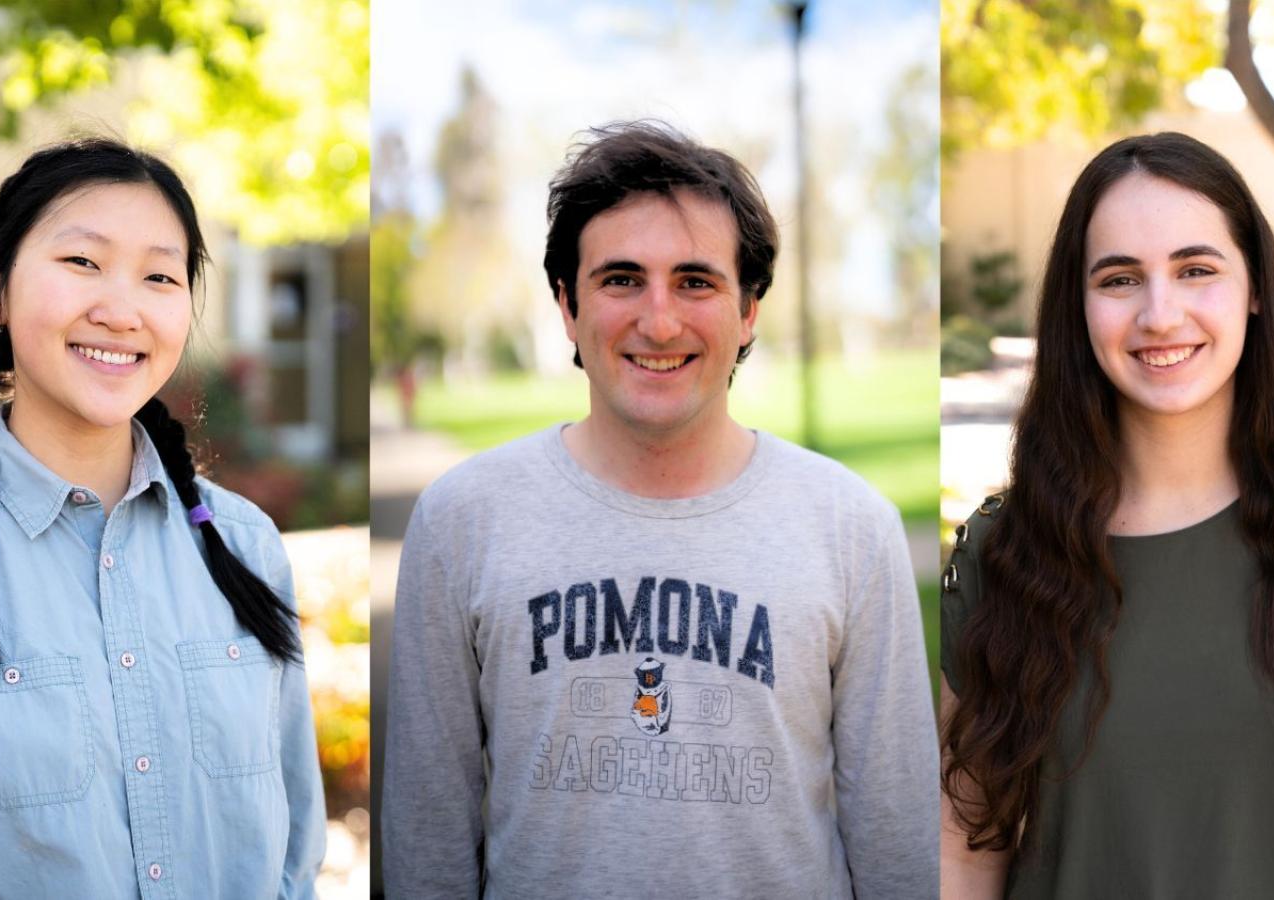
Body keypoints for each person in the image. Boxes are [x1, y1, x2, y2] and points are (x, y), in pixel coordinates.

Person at [383, 121, 938, 898]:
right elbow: (426, 844)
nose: (660, 320)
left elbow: (899, 846)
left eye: (695, 281)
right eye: (620, 279)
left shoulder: (851, 529)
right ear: (567, 307)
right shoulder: (462, 520)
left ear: (748, 311)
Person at [939, 132, 1274, 898]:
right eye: (1119, 279)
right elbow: (964, 855)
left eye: (1196, 269)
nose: (1160, 313)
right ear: (1078, 306)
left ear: (1255, 288)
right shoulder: (999, 554)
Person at [0, 139, 326, 897]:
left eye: (160, 276)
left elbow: (294, 854)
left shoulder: (246, 547)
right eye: (82, 263)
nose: (121, 310)